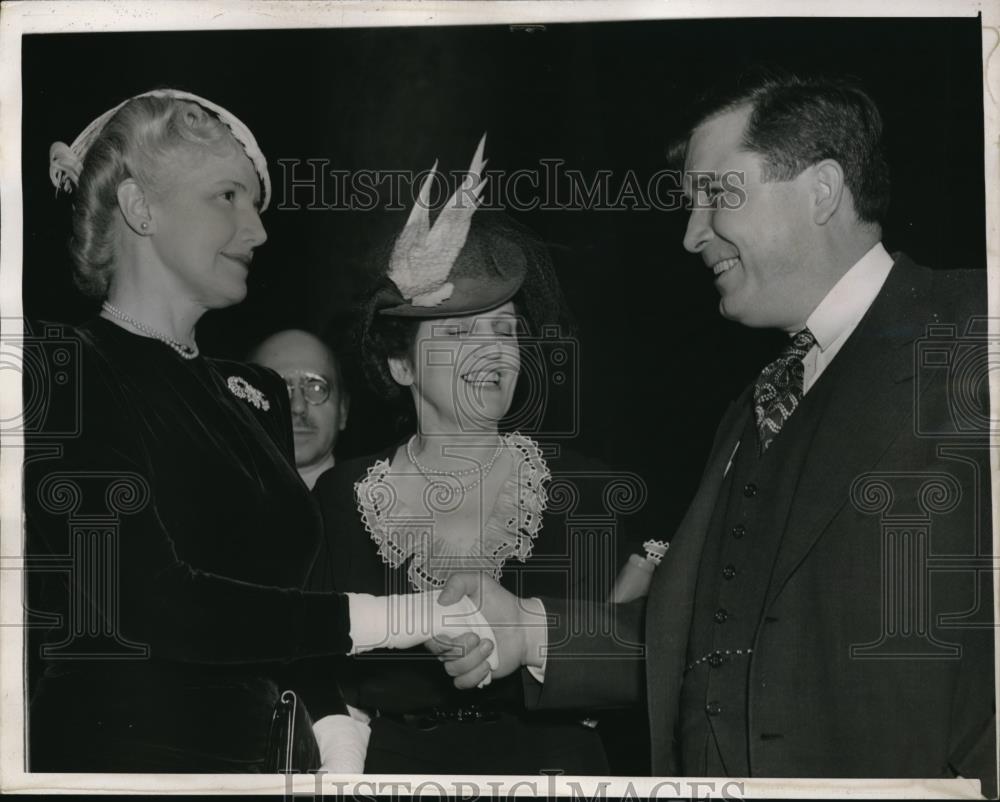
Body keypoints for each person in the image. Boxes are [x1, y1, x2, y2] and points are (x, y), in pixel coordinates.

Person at [433, 70, 997, 796]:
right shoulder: (752, 405)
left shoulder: (974, 327)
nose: (692, 232)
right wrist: (527, 631)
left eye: (717, 195)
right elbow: (708, 641)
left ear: (821, 190)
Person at [24, 89, 495, 773]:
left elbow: (279, 616)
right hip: (125, 765)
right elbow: (152, 603)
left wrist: (336, 739)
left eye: (257, 206)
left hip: (262, 765)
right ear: (140, 207)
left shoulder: (254, 397)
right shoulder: (57, 368)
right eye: (228, 197)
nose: (258, 231)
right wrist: (404, 619)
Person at [309, 139, 626, 774]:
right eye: (458, 333)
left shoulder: (584, 486)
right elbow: (313, 663)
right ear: (400, 363)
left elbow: (639, 659)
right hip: (397, 774)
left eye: (504, 330)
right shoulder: (340, 498)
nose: (493, 353)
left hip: (556, 772)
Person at [249, 329, 350, 489]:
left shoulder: (383, 503)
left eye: (317, 388)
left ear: (343, 409)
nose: (298, 407)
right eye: (277, 389)